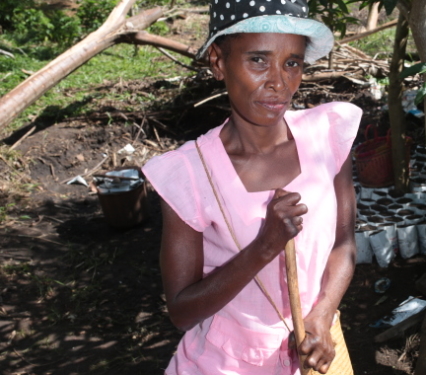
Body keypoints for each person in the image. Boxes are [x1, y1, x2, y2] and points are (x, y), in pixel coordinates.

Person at [141, 1, 362, 374]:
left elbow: (344, 241)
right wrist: (265, 246)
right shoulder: (191, 175)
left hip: (318, 350)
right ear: (218, 62)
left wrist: (322, 314)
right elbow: (181, 310)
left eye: (292, 62)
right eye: (258, 60)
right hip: (229, 362)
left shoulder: (326, 138)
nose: (279, 82)